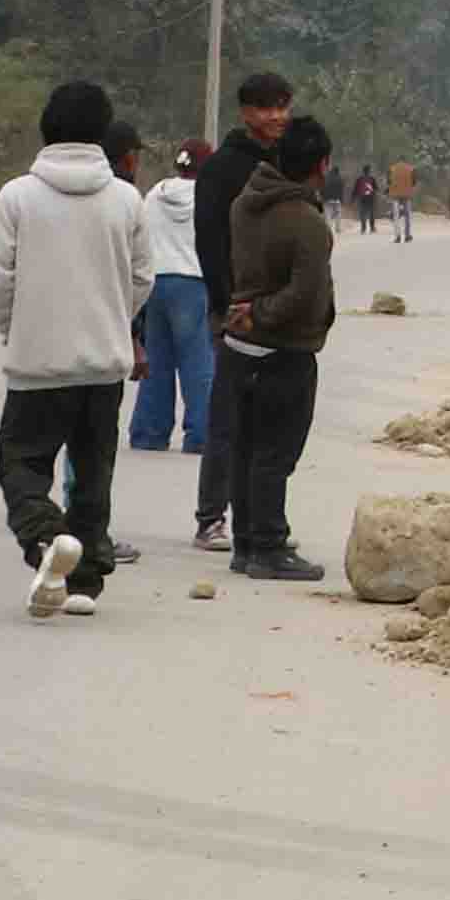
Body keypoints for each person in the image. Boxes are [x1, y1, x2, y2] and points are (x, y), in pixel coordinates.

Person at [0, 80, 152, 617]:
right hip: (102, 367)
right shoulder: (126, 200)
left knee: (21, 465)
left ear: (46, 129)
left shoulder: (16, 197)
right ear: (104, 135)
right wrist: (110, 318)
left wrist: (18, 328)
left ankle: (45, 540)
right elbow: (143, 277)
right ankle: (83, 584)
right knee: (93, 474)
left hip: (37, 365)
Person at [219, 116, 340, 579]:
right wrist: (263, 315)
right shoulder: (306, 221)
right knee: (276, 452)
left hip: (238, 346)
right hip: (282, 349)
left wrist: (246, 312)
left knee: (246, 447)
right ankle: (269, 546)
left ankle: (246, 542)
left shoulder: (244, 205)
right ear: (322, 164)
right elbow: (305, 293)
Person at [188, 69, 292, 550]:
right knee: (227, 416)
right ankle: (211, 517)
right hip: (234, 309)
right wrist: (226, 303)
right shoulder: (223, 168)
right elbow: (208, 241)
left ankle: (259, 520)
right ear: (246, 112)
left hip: (280, 311)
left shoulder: (289, 160)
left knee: (272, 422)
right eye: (267, 108)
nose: (276, 117)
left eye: (282, 106)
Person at [131, 137, 214, 459]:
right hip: (193, 283)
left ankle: (149, 432)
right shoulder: (210, 197)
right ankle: (202, 434)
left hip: (156, 282)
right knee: (198, 361)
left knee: (158, 359)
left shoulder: (155, 194)